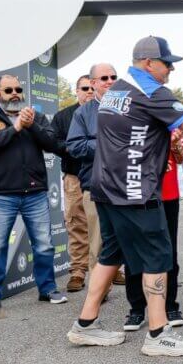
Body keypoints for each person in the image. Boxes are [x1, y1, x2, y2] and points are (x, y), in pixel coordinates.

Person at [66, 36, 183, 356]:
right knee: (157, 256)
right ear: (147, 63)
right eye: (166, 63)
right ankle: (158, 334)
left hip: (106, 188)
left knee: (111, 254)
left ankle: (85, 324)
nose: (170, 68)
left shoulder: (116, 90)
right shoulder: (150, 91)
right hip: (134, 190)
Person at [0, 75, 67, 313]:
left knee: (44, 244)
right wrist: (16, 128)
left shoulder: (36, 116)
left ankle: (47, 289)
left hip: (35, 192)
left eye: (18, 89)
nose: (14, 93)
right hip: (1, 193)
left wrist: (31, 124)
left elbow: (53, 144)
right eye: (8, 89)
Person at [67, 64, 127, 292]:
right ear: (93, 83)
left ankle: (139, 298)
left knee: (131, 240)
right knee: (98, 243)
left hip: (128, 186)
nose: (110, 81)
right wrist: (106, 142)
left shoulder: (130, 107)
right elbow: (74, 146)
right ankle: (98, 293)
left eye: (113, 76)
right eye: (104, 78)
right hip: (97, 187)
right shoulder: (82, 113)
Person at [123, 130, 183, 332]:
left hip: (167, 194)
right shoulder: (132, 123)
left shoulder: (170, 124)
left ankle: (170, 306)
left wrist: (175, 143)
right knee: (134, 252)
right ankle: (137, 309)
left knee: (168, 251)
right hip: (136, 193)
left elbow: (180, 158)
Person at [51, 75, 93, 292]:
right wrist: (72, 147)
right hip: (74, 177)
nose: (89, 91)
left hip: (101, 177)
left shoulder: (105, 113)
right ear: (76, 91)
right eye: (84, 88)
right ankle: (78, 271)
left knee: (106, 225)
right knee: (77, 224)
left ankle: (112, 269)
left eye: (91, 87)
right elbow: (52, 141)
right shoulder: (63, 116)